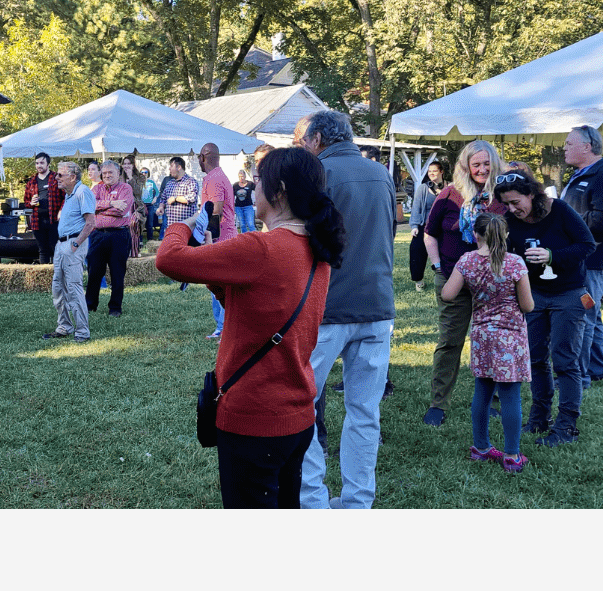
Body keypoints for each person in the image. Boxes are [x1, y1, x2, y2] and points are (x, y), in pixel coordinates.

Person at [156, 146, 343, 508]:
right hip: (297, 414)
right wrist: (220, 281)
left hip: (254, 417)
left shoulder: (261, 247)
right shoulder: (319, 249)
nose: (253, 190)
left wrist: (185, 221)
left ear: (279, 191)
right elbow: (264, 312)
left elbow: (168, 258)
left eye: (258, 182)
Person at [292, 111, 396, 510]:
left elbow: (300, 241)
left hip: (327, 307)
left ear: (317, 139)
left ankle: (313, 500)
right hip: (376, 304)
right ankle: (357, 503)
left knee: (301, 405)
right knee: (365, 412)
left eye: (302, 141)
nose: (301, 148)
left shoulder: (317, 174)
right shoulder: (381, 174)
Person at [496, 166, 597, 446]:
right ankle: (539, 417)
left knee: (565, 360)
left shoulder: (560, 210)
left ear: (531, 194)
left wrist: (552, 255)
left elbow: (587, 245)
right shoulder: (509, 221)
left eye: (516, 202)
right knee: (536, 359)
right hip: (534, 295)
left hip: (569, 293)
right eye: (506, 204)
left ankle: (566, 425)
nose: (512, 209)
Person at [440, 209, 534, 473]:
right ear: (505, 234)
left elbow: (448, 294)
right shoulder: (515, 263)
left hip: (482, 334)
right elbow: (527, 306)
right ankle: (512, 455)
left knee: (482, 392)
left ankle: (481, 448)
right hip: (510, 338)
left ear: (475, 234)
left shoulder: (467, 261)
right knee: (510, 396)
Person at [422, 138, 501, 425]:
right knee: (450, 342)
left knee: (490, 340)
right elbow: (429, 233)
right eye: (476, 164)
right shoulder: (449, 195)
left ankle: (492, 400)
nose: (481, 170)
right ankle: (438, 403)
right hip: (452, 277)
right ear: (466, 166)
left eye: (486, 164)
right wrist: (438, 265)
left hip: (492, 282)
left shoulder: (502, 196)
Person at [559, 124, 603, 387]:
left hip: (594, 258)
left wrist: (568, 219)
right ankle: (600, 370)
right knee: (591, 313)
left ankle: (579, 376)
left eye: (568, 144)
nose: (564, 148)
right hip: (584, 256)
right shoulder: (584, 173)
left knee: (582, 313)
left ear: (587, 147)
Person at [45, 159, 95, 341]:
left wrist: (76, 244)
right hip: (62, 245)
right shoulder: (69, 194)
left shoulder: (83, 192)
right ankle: (64, 327)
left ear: (73, 177)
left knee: (73, 288)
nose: (56, 177)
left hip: (73, 244)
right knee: (58, 287)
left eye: (60, 174)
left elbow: (91, 223)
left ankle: (82, 332)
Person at [86, 160, 136, 317]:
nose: (107, 175)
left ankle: (115, 308)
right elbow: (89, 206)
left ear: (118, 173)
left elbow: (122, 211)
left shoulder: (125, 188)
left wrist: (100, 209)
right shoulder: (97, 188)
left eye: (110, 173)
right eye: (104, 173)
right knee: (94, 271)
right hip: (97, 235)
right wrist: (112, 203)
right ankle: (89, 305)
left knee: (117, 272)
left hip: (118, 235)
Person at [197, 142, 238, 339]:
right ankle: (223, 327)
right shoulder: (218, 176)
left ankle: (224, 329)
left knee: (220, 286)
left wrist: (206, 238)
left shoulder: (213, 179)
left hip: (222, 237)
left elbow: (216, 210)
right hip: (224, 236)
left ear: (204, 157)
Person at [21, 151, 65, 265]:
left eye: (41, 163)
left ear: (48, 164)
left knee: (56, 248)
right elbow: (26, 201)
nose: (39, 165)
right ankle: (44, 275)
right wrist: (31, 202)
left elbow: (66, 197)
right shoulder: (31, 182)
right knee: (42, 250)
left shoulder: (57, 178)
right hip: (37, 220)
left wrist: (61, 211)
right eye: (37, 163)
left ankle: (57, 274)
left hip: (54, 220)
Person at [407, 159, 445, 287]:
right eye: (430, 171)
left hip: (444, 226)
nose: (432, 173)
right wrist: (414, 226)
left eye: (435, 171)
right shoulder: (423, 189)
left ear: (441, 172)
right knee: (416, 249)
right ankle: (419, 281)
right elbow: (416, 208)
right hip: (426, 226)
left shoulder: (450, 187)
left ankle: (445, 276)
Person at [233, 165, 257, 234]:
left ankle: (255, 238)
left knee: (251, 225)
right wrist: (232, 204)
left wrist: (257, 201)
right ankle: (245, 240)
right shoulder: (235, 185)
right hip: (238, 207)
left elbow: (258, 191)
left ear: (245, 176)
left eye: (242, 176)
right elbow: (231, 196)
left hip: (248, 207)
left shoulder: (250, 184)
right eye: (239, 177)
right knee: (242, 225)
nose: (241, 178)